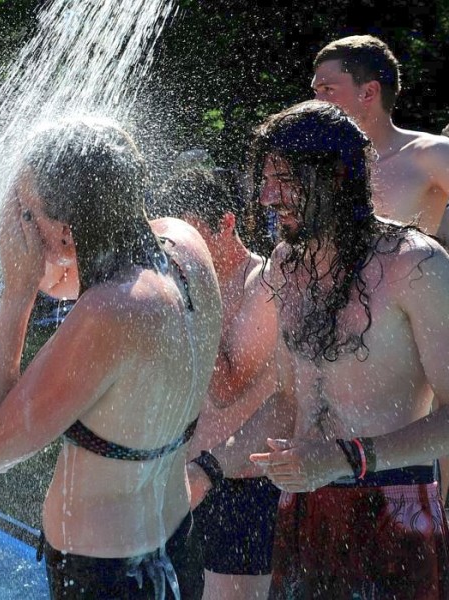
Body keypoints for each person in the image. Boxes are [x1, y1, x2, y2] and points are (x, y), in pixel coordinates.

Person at [191, 100, 449, 598]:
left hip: (395, 510)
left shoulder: (417, 266)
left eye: (282, 179)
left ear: (334, 177)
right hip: (302, 510)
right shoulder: (285, 266)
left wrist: (345, 459)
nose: (267, 197)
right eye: (264, 180)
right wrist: (204, 472)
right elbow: (288, 404)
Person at [0, 116, 222, 599]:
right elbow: (66, 278)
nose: (20, 222)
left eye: (27, 213)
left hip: (109, 578)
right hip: (174, 544)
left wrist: (16, 295)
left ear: (64, 231)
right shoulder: (183, 246)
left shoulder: (111, 313)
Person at [149, 167, 279, 599]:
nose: (182, 252)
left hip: (239, 489)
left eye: (192, 237)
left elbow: (227, 389)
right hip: (180, 481)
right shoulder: (184, 284)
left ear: (226, 223)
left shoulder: (261, 284)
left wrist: (192, 295)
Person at [311, 35, 449, 240]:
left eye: (328, 89)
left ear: (369, 92)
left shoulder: (432, 154)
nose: (316, 103)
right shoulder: (320, 165)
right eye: (316, 91)